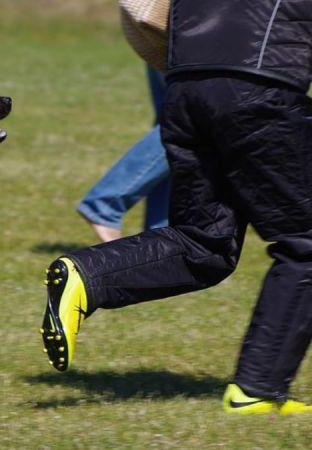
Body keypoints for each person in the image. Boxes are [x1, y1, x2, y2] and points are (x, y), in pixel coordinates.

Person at [40, 0, 312, 415]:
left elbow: (142, 10)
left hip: (186, 89)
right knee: (306, 243)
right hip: (259, 87)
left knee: (204, 242)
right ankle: (257, 390)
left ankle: (87, 276)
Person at [77, 66, 170, 242]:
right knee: (186, 124)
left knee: (174, 121)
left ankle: (158, 238)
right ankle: (105, 204)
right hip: (198, 47)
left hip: (167, 42)